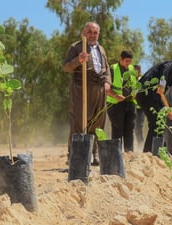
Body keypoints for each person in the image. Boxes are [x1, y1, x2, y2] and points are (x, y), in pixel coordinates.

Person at [63, 22, 111, 166]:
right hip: (81, 88)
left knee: (98, 121)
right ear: (83, 33)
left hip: (99, 89)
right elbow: (66, 67)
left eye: (95, 32)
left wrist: (108, 82)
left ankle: (94, 153)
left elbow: (107, 68)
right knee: (78, 121)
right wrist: (78, 60)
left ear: (98, 34)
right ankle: (74, 155)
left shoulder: (101, 49)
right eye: (89, 32)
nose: (92, 35)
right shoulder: (75, 47)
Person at [135, 57, 172, 152]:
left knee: (160, 121)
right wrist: (162, 84)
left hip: (147, 96)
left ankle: (160, 150)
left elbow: (160, 96)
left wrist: (166, 110)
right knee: (156, 123)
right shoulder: (170, 66)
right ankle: (149, 152)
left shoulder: (167, 70)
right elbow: (165, 70)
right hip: (147, 95)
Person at [106, 50, 137, 152]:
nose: (128, 64)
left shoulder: (132, 68)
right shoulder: (112, 69)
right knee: (117, 128)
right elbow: (106, 88)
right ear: (121, 59)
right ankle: (116, 153)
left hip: (130, 103)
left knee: (129, 128)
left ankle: (129, 152)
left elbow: (134, 84)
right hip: (115, 104)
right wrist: (115, 96)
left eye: (130, 61)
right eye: (126, 61)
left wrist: (135, 93)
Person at [133, 64, 145, 147]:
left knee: (138, 127)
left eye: (137, 70)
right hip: (131, 106)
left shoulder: (142, 81)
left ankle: (141, 144)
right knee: (130, 126)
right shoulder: (130, 80)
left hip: (140, 107)